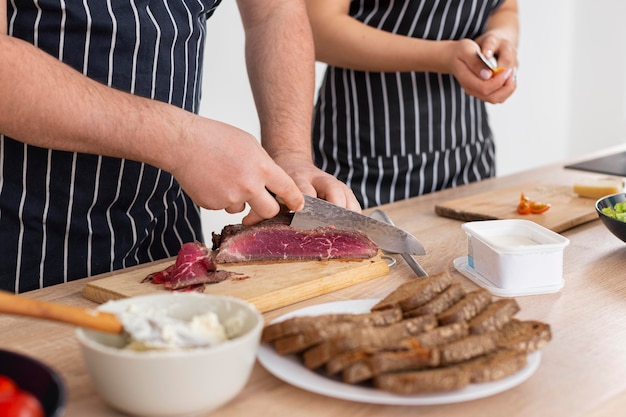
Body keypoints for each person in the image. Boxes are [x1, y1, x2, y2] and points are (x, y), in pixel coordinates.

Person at [0, 0, 360, 293]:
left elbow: (274, 11)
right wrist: (180, 141)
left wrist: (291, 155)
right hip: (28, 238)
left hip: (168, 232)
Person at [304, 0, 519, 208]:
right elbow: (317, 27)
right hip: (365, 161)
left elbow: (504, 7)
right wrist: (443, 56)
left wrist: (500, 38)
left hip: (468, 156)